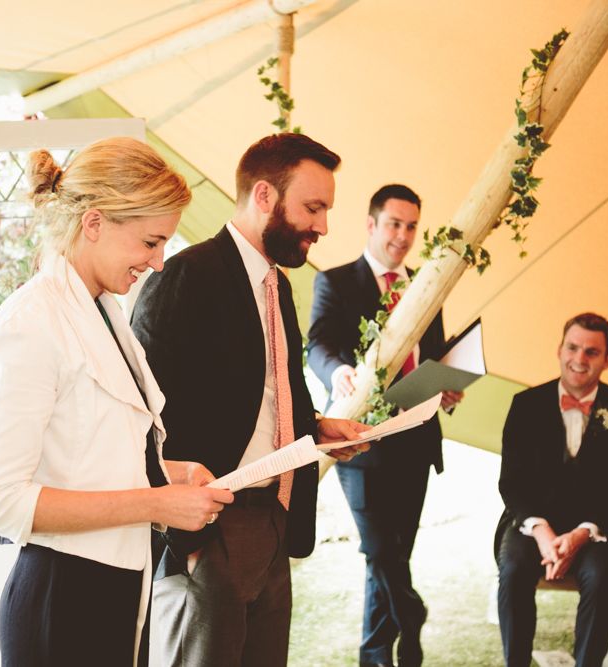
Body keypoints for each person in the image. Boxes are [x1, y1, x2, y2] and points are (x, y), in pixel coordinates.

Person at [0, 137, 234, 667]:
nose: (159, 264)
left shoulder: (105, 313)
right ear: (94, 223)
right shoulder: (31, 322)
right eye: (150, 242)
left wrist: (171, 474)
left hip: (119, 583)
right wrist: (156, 504)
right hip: (61, 598)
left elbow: (92, 453)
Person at [131, 132, 370, 667]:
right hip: (210, 528)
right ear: (264, 196)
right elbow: (142, 411)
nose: (323, 226)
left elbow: (269, 393)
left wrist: (320, 428)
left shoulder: (277, 286)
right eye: (313, 207)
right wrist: (186, 538)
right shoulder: (188, 274)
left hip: (274, 521)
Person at [307, 184, 463, 667]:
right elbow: (318, 344)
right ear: (372, 224)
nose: (403, 235)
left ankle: (380, 656)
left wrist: (447, 384)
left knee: (393, 555)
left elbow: (431, 357)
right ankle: (410, 617)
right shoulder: (335, 281)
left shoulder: (425, 286)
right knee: (380, 550)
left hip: (416, 439)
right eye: (395, 223)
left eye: (412, 226)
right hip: (360, 442)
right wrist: (339, 372)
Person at [495, 312, 608, 667]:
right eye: (573, 348)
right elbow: (512, 481)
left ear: (607, 360)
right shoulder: (525, 405)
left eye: (592, 352)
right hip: (532, 525)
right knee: (512, 570)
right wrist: (543, 533)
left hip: (598, 529)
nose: (579, 359)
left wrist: (581, 534)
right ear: (559, 349)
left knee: (602, 576)